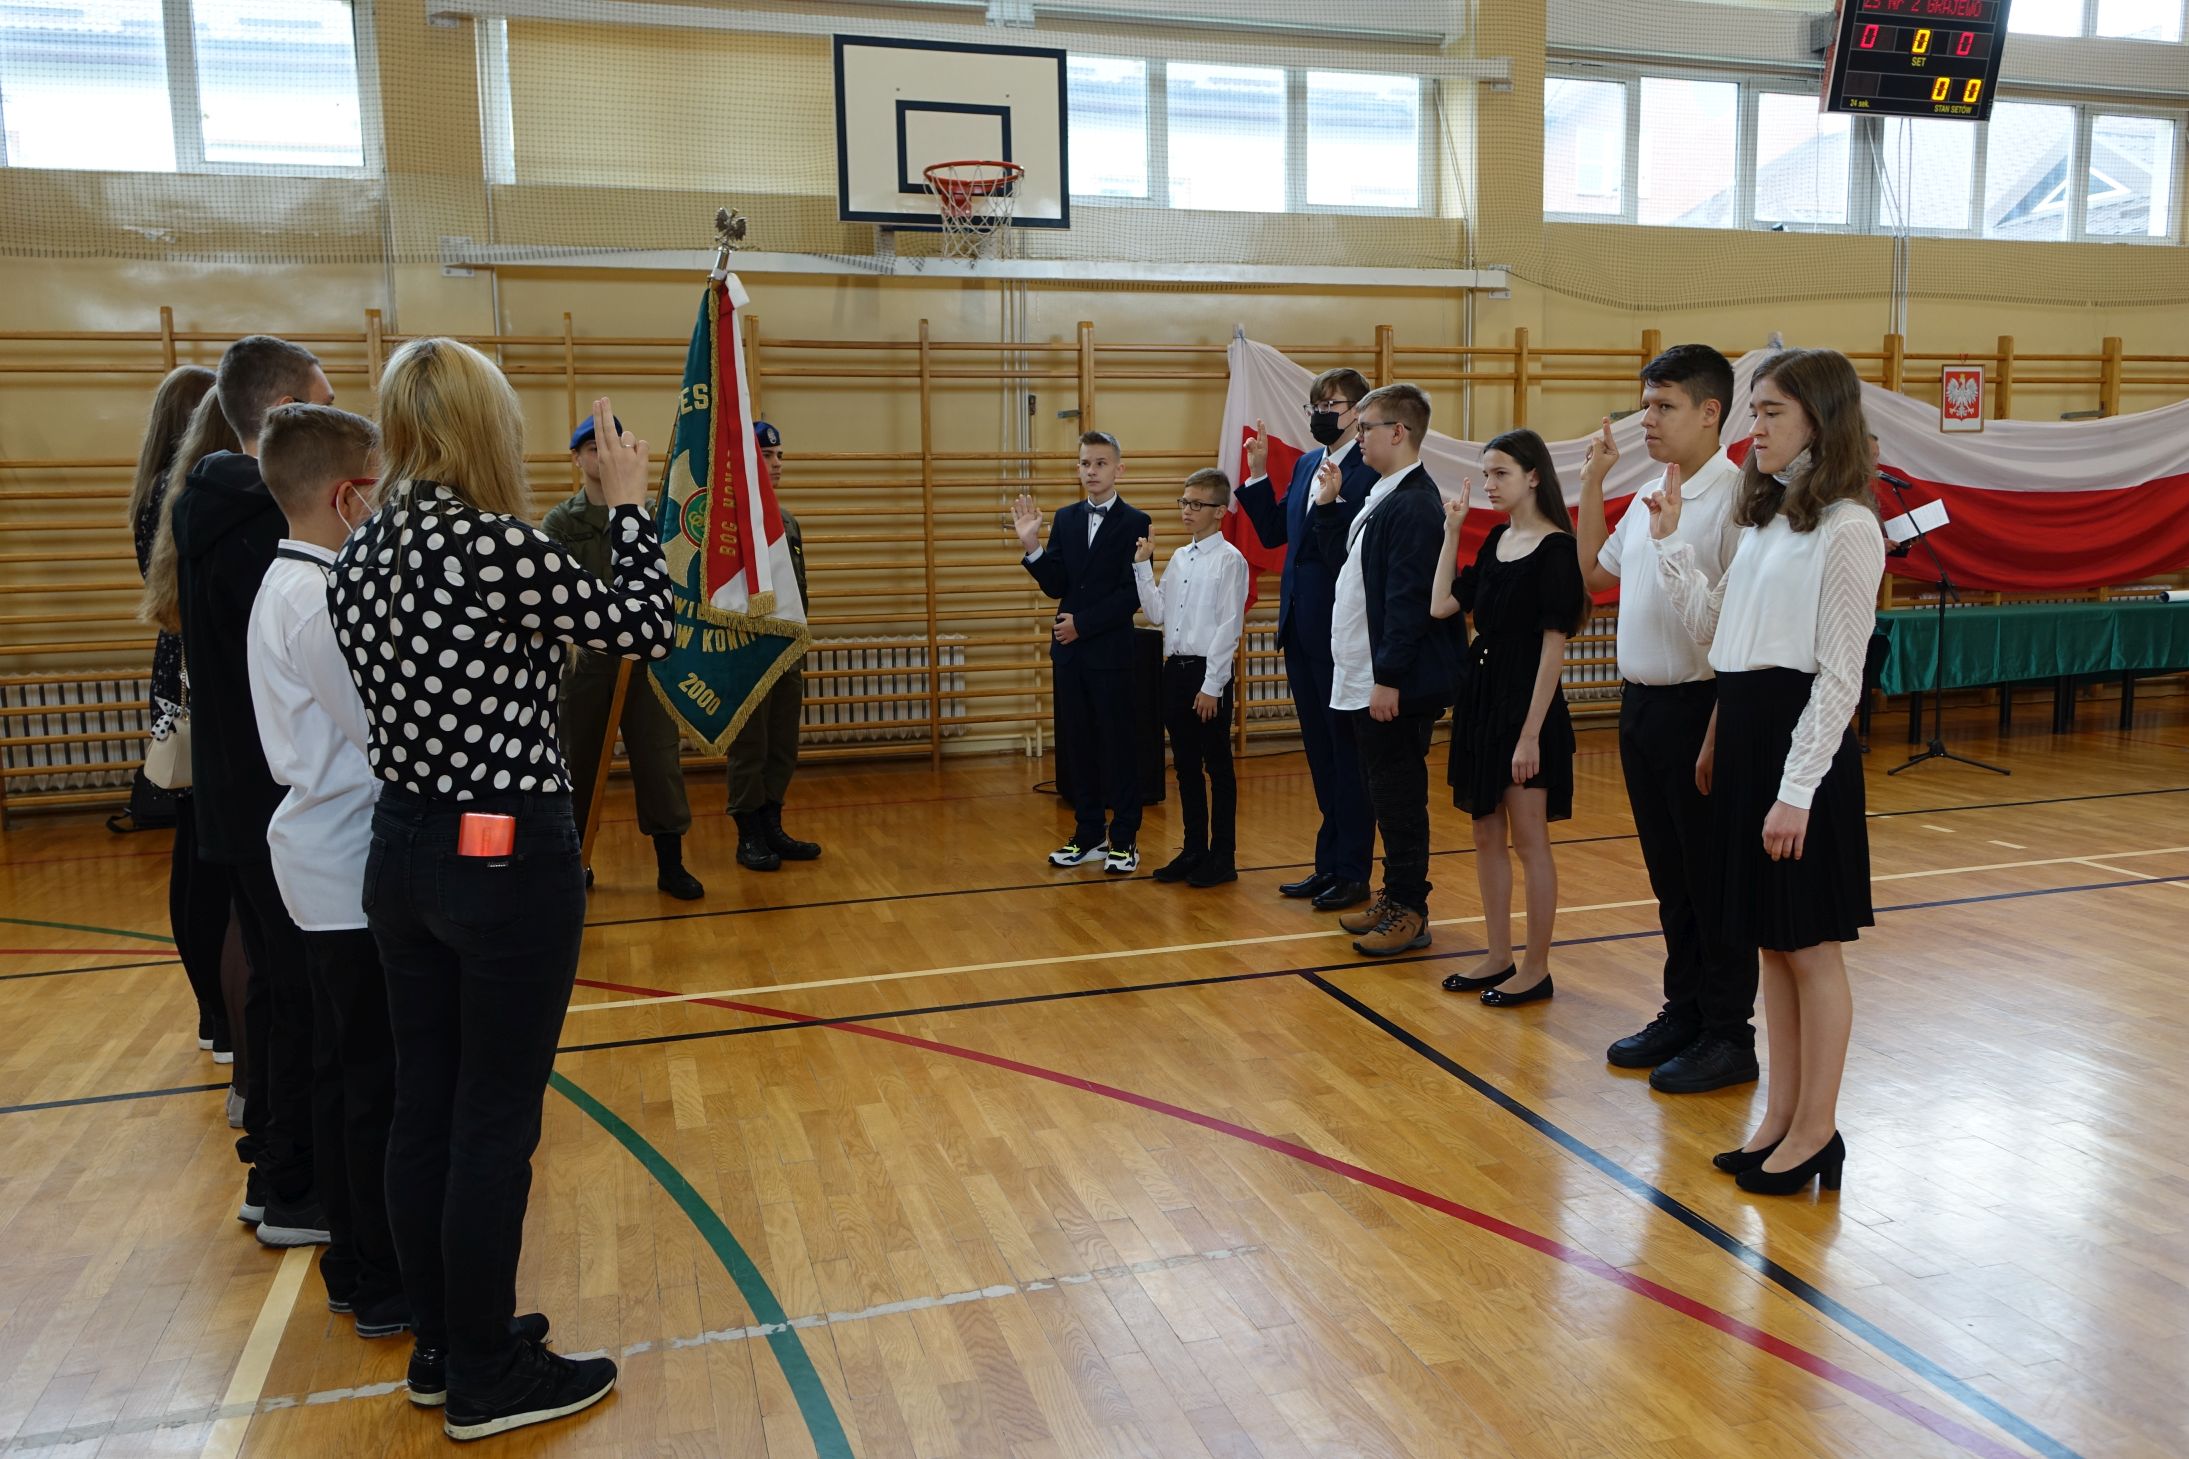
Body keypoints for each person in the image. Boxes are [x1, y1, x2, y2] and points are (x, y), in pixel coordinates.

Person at [331, 343, 667, 1438]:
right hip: (501, 848)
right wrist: (628, 507)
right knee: (491, 1120)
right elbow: (645, 627)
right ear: (483, 427)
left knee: (425, 1104)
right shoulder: (491, 544)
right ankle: (484, 1373)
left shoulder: (362, 548)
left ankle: (443, 1340)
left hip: (402, 844)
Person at [1648, 347, 1886, 1196]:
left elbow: (1839, 676)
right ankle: (1780, 1115)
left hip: (1799, 755)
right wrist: (1670, 546)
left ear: (1820, 418)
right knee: (1773, 948)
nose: (1754, 427)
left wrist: (1794, 790)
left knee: (1810, 947)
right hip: (1749, 737)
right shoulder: (1768, 517)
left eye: (1770, 412)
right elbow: (1719, 635)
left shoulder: (1848, 527)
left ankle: (1817, 1127)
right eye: (1753, 411)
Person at [169, 334, 336, 1249]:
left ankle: (275, 1173)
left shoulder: (209, 499)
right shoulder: (258, 517)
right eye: (323, 402)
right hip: (275, 788)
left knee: (276, 989)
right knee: (302, 995)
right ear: (281, 414)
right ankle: (296, 1181)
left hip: (235, 786)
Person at [247, 403, 408, 1338]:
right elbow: (380, 729)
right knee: (371, 1082)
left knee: (351, 1073)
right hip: (343, 855)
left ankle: (356, 1260)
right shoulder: (314, 597)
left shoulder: (295, 581)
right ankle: (376, 1271)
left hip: (326, 850)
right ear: (350, 497)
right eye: (379, 490)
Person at [1577, 345, 1762, 1091]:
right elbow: (1594, 574)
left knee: (1712, 879)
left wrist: (1718, 725)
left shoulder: (1737, 499)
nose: (1646, 420)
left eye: (1663, 406)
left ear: (1710, 412)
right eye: (1644, 405)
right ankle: (1683, 1010)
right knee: (1670, 878)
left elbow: (1733, 629)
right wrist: (1592, 482)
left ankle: (1729, 1033)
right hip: (1643, 707)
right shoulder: (1654, 488)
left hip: (1701, 707)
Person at [1434, 431, 1588, 1007]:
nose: (1490, 484)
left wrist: (1529, 735)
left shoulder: (1557, 551)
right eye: (1487, 474)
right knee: (1484, 834)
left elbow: (1553, 647)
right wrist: (1452, 533)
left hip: (1528, 708)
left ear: (1533, 476)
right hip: (1482, 699)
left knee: (1529, 839)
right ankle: (1498, 955)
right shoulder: (1497, 539)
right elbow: (1442, 604)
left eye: (1500, 473)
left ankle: (1536, 967)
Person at [1312, 384, 1459, 957]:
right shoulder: (1382, 494)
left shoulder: (1416, 503)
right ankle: (1394, 894)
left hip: (1391, 680)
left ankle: (1410, 910)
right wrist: (1329, 511)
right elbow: (1349, 573)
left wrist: (1389, 677)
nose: (1358, 435)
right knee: (1380, 789)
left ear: (1398, 432)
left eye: (1366, 426)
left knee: (1399, 795)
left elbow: (1408, 601)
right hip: (1362, 673)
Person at [1233, 370, 1379, 911]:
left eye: (1330, 405)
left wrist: (1332, 506)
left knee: (1348, 755)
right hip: (1298, 625)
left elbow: (1352, 550)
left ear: (1358, 411)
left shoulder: (1367, 469)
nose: (1319, 414)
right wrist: (1256, 476)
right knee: (1320, 754)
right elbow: (1277, 533)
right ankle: (1329, 864)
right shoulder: (1304, 464)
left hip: (1340, 631)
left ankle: (1354, 871)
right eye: (1313, 405)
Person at [543, 413, 704, 899]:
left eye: (609, 445)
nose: (601, 455)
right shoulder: (561, 522)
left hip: (645, 666)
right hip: (587, 666)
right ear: (576, 458)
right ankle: (576, 860)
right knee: (579, 763)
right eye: (592, 447)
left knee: (659, 762)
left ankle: (671, 863)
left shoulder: (649, 517)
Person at [127, 365, 233, 1061]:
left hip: (176, 676)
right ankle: (221, 1012)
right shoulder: (195, 491)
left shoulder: (154, 491)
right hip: (203, 680)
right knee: (211, 857)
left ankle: (210, 1010)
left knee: (193, 849)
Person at [1013, 431, 1153, 875]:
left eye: (1100, 463)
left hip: (1109, 652)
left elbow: (1131, 592)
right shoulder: (1067, 518)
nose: (1091, 471)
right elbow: (1057, 584)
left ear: (1118, 469)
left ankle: (1124, 838)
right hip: (1070, 656)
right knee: (1079, 746)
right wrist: (1032, 546)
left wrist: (1083, 624)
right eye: (1085, 463)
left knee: (1118, 746)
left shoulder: (1136, 521)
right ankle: (1089, 833)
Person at [1132, 468, 1250, 886]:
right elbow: (1157, 614)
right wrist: (1142, 567)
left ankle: (1223, 856)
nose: (1187, 510)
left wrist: (1212, 686)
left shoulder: (1230, 560)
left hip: (1206, 672)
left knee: (1217, 765)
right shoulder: (1181, 557)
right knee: (1184, 765)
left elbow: (1228, 627)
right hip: (1176, 670)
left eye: (1196, 504)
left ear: (1219, 511)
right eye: (1184, 502)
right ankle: (1194, 848)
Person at [726, 420, 819, 871]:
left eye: (780, 455)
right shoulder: (731, 524)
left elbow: (798, 590)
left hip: (786, 650)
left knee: (782, 744)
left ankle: (772, 824)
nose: (777, 463)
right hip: (748, 652)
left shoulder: (786, 521)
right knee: (750, 745)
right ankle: (748, 834)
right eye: (767, 456)